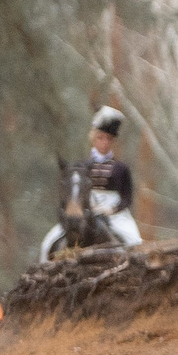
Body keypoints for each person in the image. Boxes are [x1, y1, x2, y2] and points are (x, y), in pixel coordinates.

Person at [40, 109, 142, 259]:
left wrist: (112, 209)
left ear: (113, 141)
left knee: (135, 242)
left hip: (116, 215)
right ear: (93, 139)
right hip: (86, 211)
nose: (104, 142)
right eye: (100, 138)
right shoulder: (81, 166)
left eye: (108, 139)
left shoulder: (121, 168)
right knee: (47, 244)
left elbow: (128, 198)